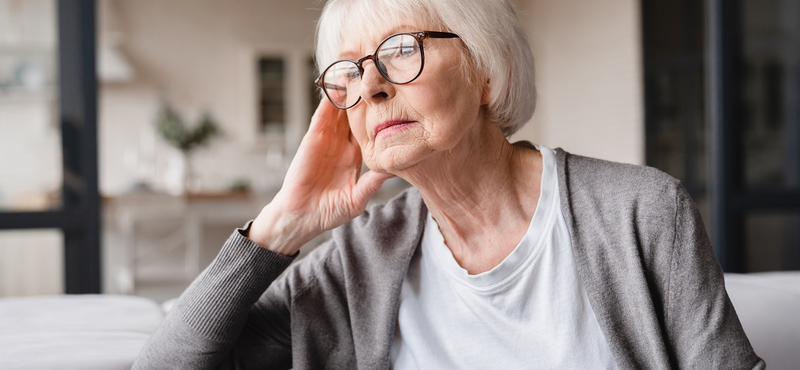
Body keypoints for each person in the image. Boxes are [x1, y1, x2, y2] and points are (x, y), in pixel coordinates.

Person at [133, 0, 765, 368]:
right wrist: (278, 229)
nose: (372, 84)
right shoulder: (357, 259)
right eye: (350, 71)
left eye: (401, 49)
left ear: (485, 72)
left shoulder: (641, 212)